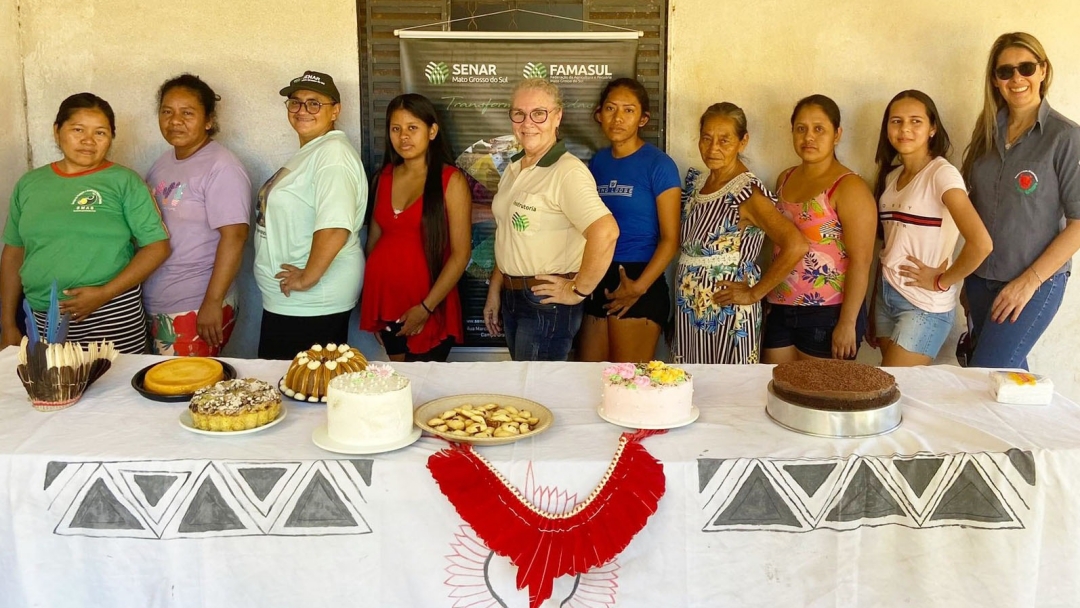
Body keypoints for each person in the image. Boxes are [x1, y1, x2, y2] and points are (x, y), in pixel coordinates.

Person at [0, 93, 170, 353]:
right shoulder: (29, 184)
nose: (88, 141)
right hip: (43, 317)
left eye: (100, 133)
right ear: (57, 131)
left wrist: (104, 293)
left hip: (111, 314)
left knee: (117, 389)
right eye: (77, 129)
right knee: (54, 388)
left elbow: (157, 247)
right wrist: (7, 322)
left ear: (111, 138)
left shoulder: (124, 182)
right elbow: (14, 252)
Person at [960, 32, 1080, 370]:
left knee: (987, 373)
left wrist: (1027, 283)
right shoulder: (985, 134)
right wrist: (964, 275)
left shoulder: (1065, 136)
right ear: (995, 81)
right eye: (1005, 71)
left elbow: (1078, 224)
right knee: (1004, 383)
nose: (1017, 79)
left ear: (1043, 70)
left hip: (1034, 282)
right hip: (981, 282)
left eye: (1026, 68)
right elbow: (971, 208)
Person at [482, 78, 619, 361]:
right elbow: (508, 234)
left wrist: (578, 290)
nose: (527, 122)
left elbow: (605, 232)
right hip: (512, 297)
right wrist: (496, 290)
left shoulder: (567, 171)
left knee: (536, 393)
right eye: (519, 113)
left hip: (545, 303)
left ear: (557, 117)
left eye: (539, 113)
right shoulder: (515, 166)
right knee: (524, 390)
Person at [674, 103, 807, 364]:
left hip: (727, 313)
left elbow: (796, 245)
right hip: (691, 312)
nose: (713, 148)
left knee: (729, 392)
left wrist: (754, 293)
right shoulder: (698, 183)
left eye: (725, 140)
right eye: (707, 138)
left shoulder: (746, 192)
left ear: (742, 141)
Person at [871, 90, 992, 366]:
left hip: (923, 306)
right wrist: (873, 304)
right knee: (890, 392)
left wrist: (942, 280)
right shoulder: (890, 177)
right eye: (896, 121)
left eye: (916, 121)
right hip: (886, 297)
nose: (905, 129)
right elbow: (890, 245)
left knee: (891, 387)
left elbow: (981, 243)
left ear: (933, 128)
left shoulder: (941, 174)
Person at [254, 71, 366, 359]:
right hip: (295, 301)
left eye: (314, 103)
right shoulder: (314, 151)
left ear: (335, 111)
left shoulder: (333, 155)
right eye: (296, 102)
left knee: (303, 390)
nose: (303, 110)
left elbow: (335, 226)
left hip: (312, 301)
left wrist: (307, 278)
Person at [762, 95, 877, 363]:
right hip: (779, 308)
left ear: (837, 134)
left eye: (819, 129)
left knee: (819, 397)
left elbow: (862, 261)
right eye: (800, 129)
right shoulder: (785, 178)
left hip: (828, 312)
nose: (808, 137)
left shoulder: (849, 187)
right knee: (776, 390)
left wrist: (847, 323)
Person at [144, 74, 252, 357]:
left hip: (195, 304)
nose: (175, 120)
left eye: (187, 113)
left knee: (186, 390)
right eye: (167, 111)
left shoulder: (222, 166)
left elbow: (235, 236)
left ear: (208, 120)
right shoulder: (163, 163)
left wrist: (212, 302)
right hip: (158, 301)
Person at [360, 94, 471, 361]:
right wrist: (374, 306)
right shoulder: (382, 178)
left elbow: (461, 255)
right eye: (396, 129)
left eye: (413, 128)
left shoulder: (450, 181)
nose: (403, 137)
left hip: (428, 305)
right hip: (386, 303)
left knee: (423, 390)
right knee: (400, 386)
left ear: (432, 131)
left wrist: (426, 307)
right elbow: (373, 242)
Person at [577, 78, 680, 363]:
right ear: (599, 114)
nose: (618, 118)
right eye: (610, 108)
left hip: (639, 277)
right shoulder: (598, 162)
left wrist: (639, 286)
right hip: (598, 274)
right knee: (589, 378)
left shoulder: (659, 165)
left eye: (628, 110)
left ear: (643, 119)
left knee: (628, 383)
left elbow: (671, 239)